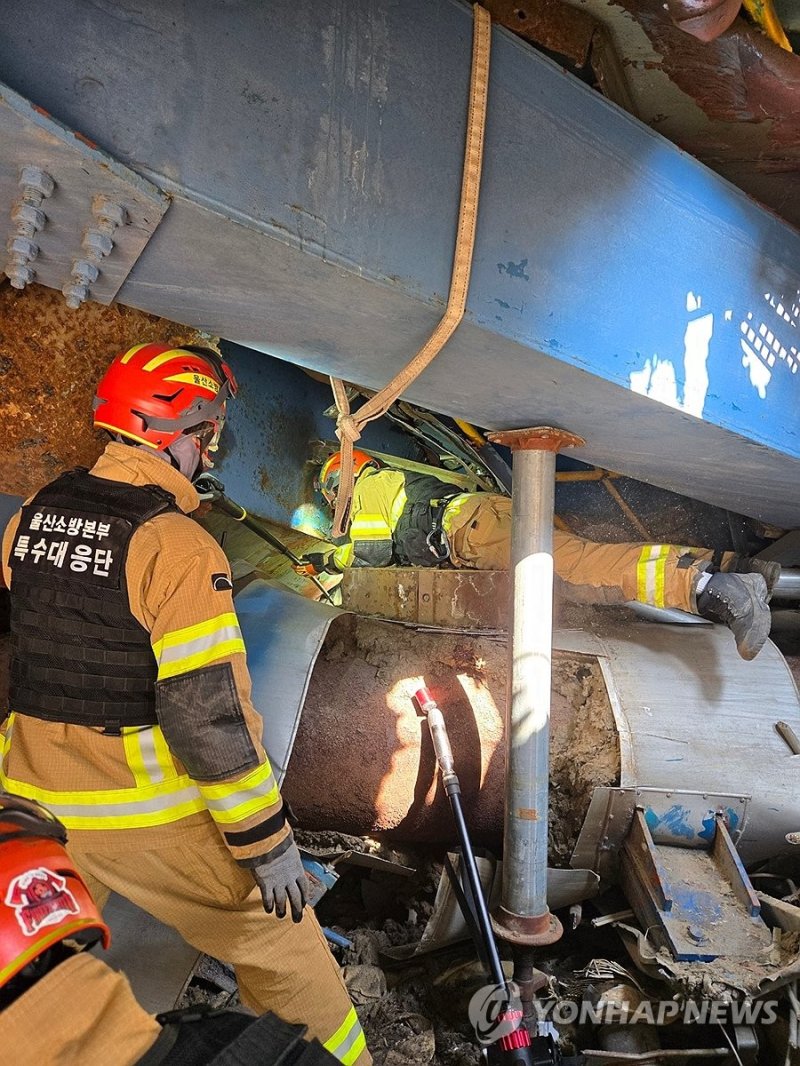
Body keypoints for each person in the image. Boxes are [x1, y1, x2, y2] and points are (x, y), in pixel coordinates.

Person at [0, 344, 368, 1064]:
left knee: (31, 972)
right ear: (185, 435)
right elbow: (209, 717)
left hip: (32, 803)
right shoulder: (177, 546)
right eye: (209, 437)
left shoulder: (33, 518)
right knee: (279, 941)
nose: (210, 453)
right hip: (143, 816)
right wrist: (267, 844)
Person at [297, 450, 777, 661]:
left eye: (331, 492)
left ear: (342, 480)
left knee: (580, 570)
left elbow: (373, 560)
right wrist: (326, 563)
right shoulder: (389, 488)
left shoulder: (371, 489)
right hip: (480, 526)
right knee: (588, 558)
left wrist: (335, 584)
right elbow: (366, 553)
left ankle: (716, 590)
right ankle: (741, 568)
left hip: (474, 534)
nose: (335, 501)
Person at [0, 789, 339, 1065]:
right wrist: (266, 839)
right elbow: (213, 723)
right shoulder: (235, 1036)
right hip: (143, 809)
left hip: (50, 792)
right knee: (272, 928)